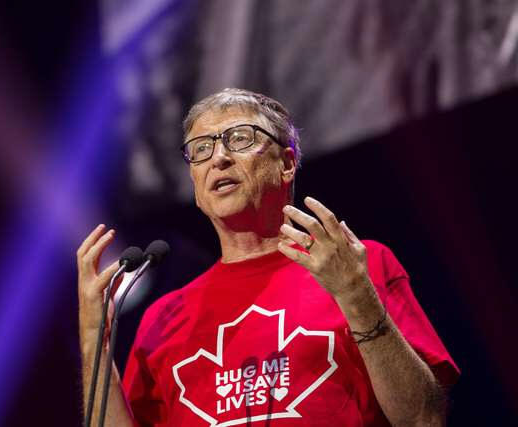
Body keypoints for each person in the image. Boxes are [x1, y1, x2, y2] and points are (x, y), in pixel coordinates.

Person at [77, 88, 460, 426]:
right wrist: (95, 340)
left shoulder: (357, 264)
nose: (218, 158)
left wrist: (356, 296)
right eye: (201, 149)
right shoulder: (162, 318)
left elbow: (423, 418)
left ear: (287, 164)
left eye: (239, 138)